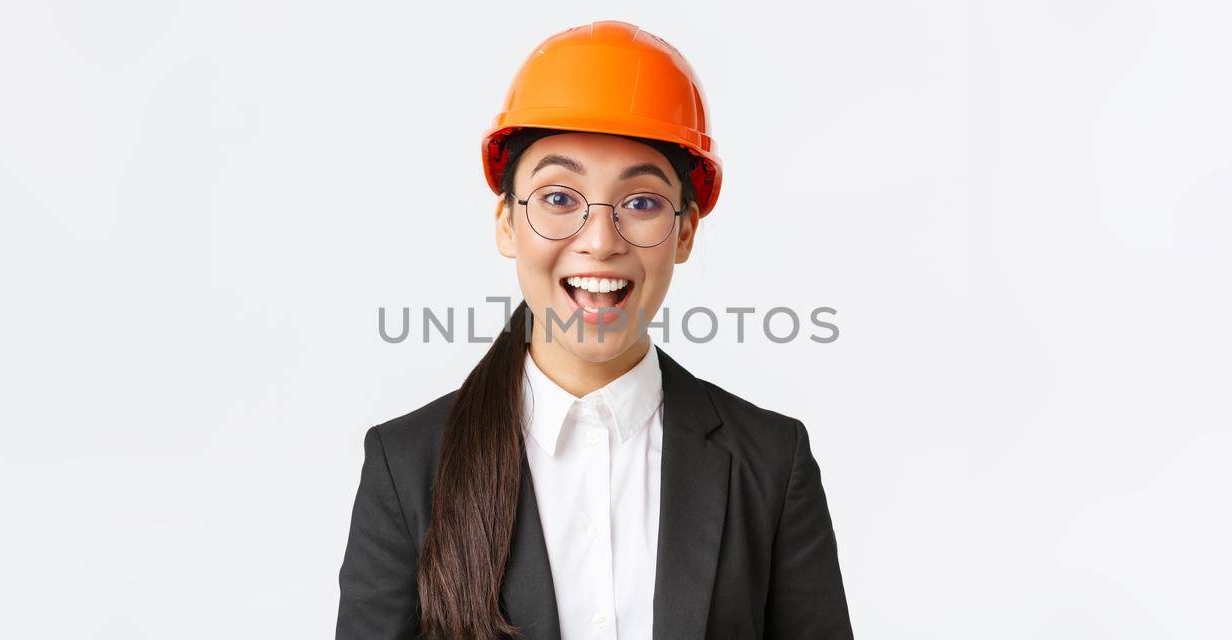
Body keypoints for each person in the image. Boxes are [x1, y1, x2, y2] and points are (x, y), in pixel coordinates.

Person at [336, 20, 852, 640]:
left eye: (641, 202)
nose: (601, 242)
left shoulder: (769, 463)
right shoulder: (407, 466)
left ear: (685, 232)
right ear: (507, 223)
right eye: (559, 198)